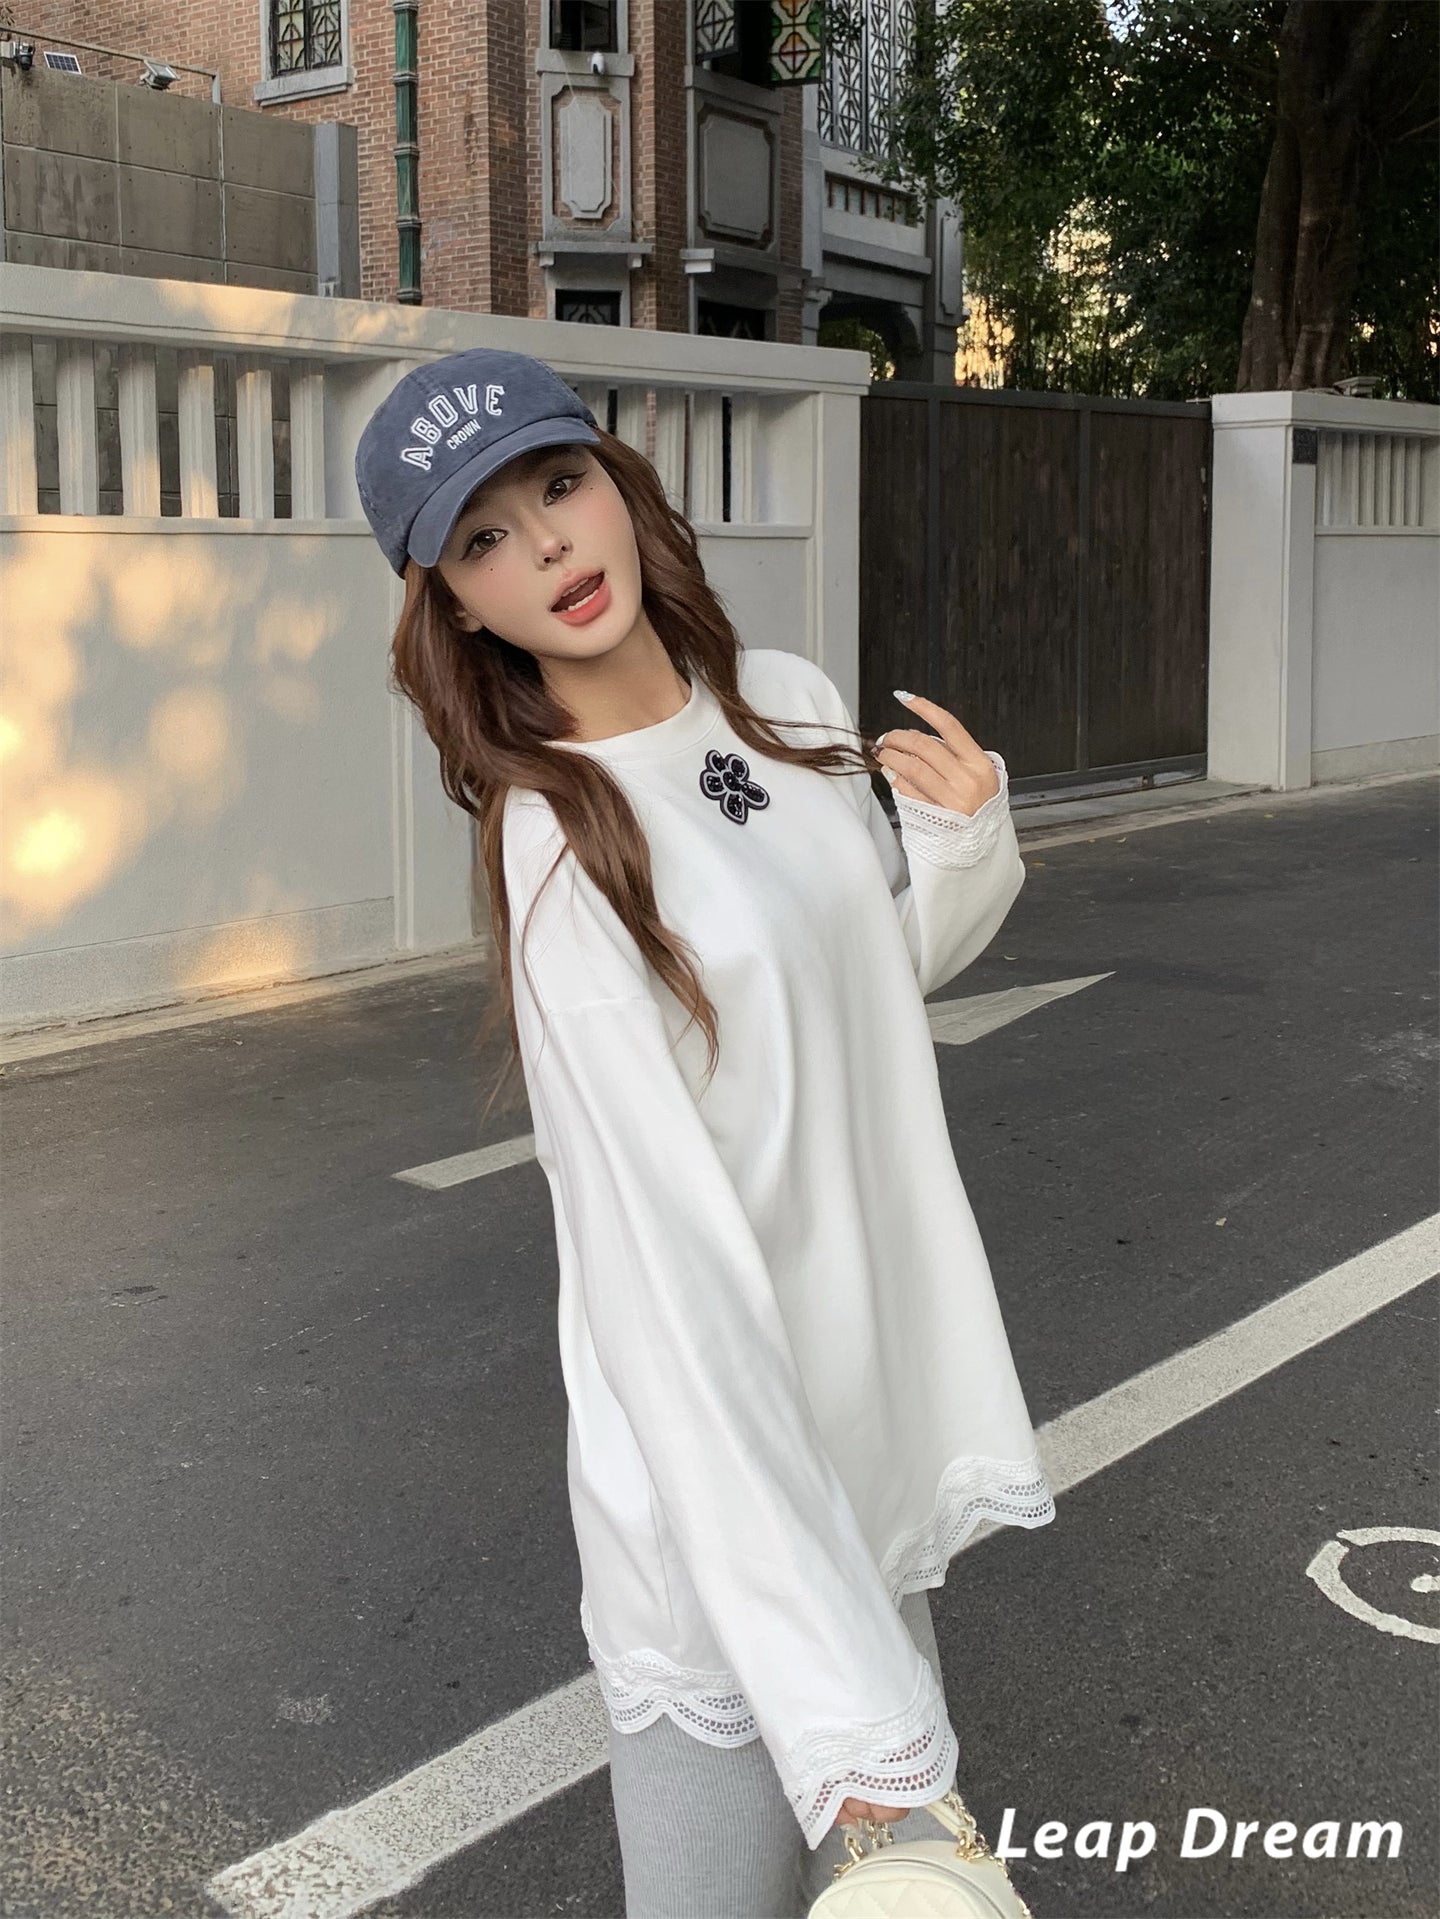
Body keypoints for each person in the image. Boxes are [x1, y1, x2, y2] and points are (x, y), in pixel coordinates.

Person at [353, 347, 1056, 1917]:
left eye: (557, 484)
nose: (546, 543)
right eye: (483, 538)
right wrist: (852, 1728)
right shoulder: (560, 842)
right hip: (725, 1514)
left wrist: (961, 849)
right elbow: (665, 1301)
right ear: (454, 603)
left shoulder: (786, 702)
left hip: (858, 1439)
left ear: (617, 481)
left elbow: (852, 996)